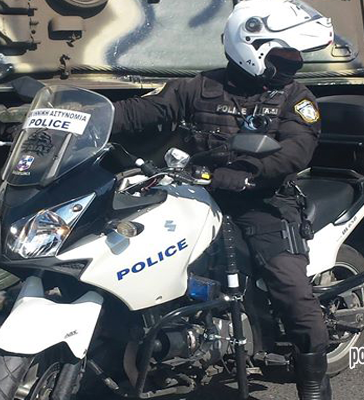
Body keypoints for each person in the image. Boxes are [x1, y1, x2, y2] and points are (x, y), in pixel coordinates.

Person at [112, 1, 334, 399]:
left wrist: (250, 173)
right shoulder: (198, 87)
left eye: (295, 58)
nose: (293, 65)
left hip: (262, 201)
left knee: (290, 288)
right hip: (195, 194)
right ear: (252, 48)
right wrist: (81, 116)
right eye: (284, 57)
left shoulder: (295, 97)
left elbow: (295, 151)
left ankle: (314, 380)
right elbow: (142, 111)